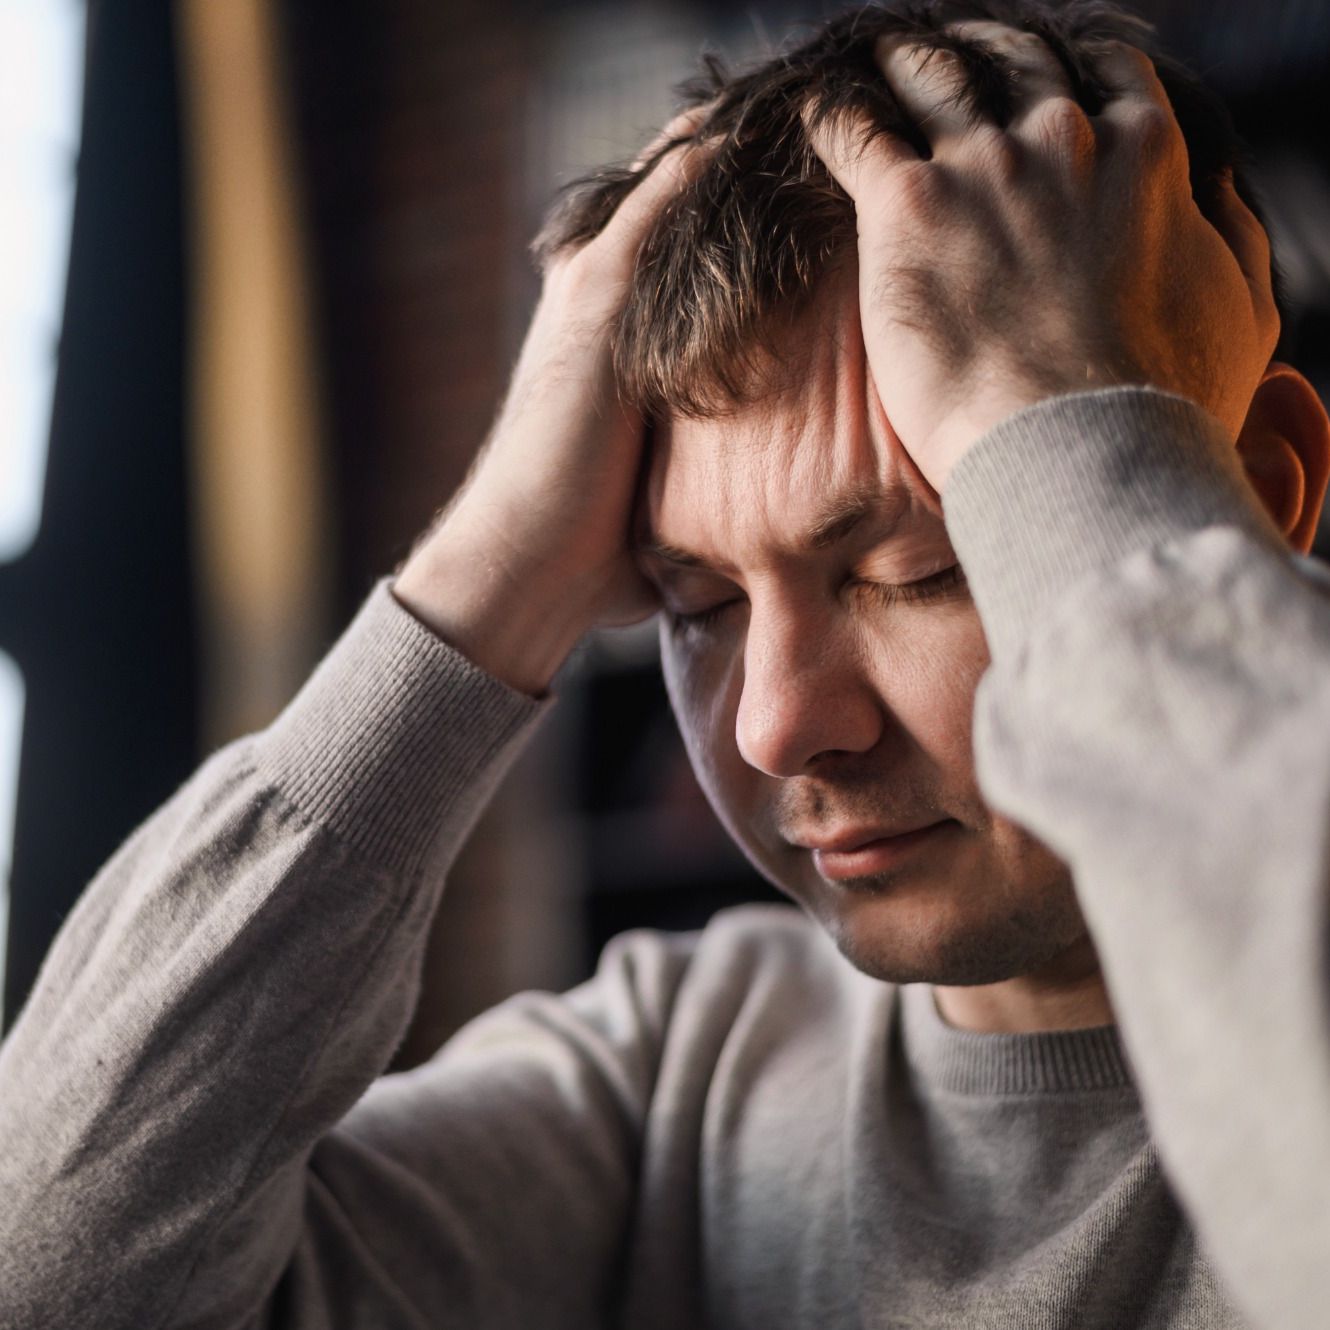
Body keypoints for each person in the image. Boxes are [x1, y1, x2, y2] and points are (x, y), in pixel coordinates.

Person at [2, 0, 1329, 1326]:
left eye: (921, 565)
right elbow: (54, 1283)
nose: (772, 723)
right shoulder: (674, 1074)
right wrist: (483, 573)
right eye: (695, 603)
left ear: (1257, 494)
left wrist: (1061, 442)